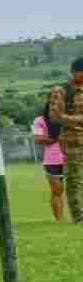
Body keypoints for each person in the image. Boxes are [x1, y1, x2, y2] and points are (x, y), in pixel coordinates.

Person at [48, 57, 83, 223]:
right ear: (76, 72)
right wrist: (78, 120)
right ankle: (78, 217)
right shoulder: (61, 91)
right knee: (74, 180)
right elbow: (54, 116)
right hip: (73, 142)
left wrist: (69, 118)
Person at [32, 100, 67, 222]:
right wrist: (55, 137)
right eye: (52, 103)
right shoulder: (40, 120)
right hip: (53, 160)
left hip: (74, 158)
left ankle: (78, 217)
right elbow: (37, 139)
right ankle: (59, 221)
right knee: (57, 191)